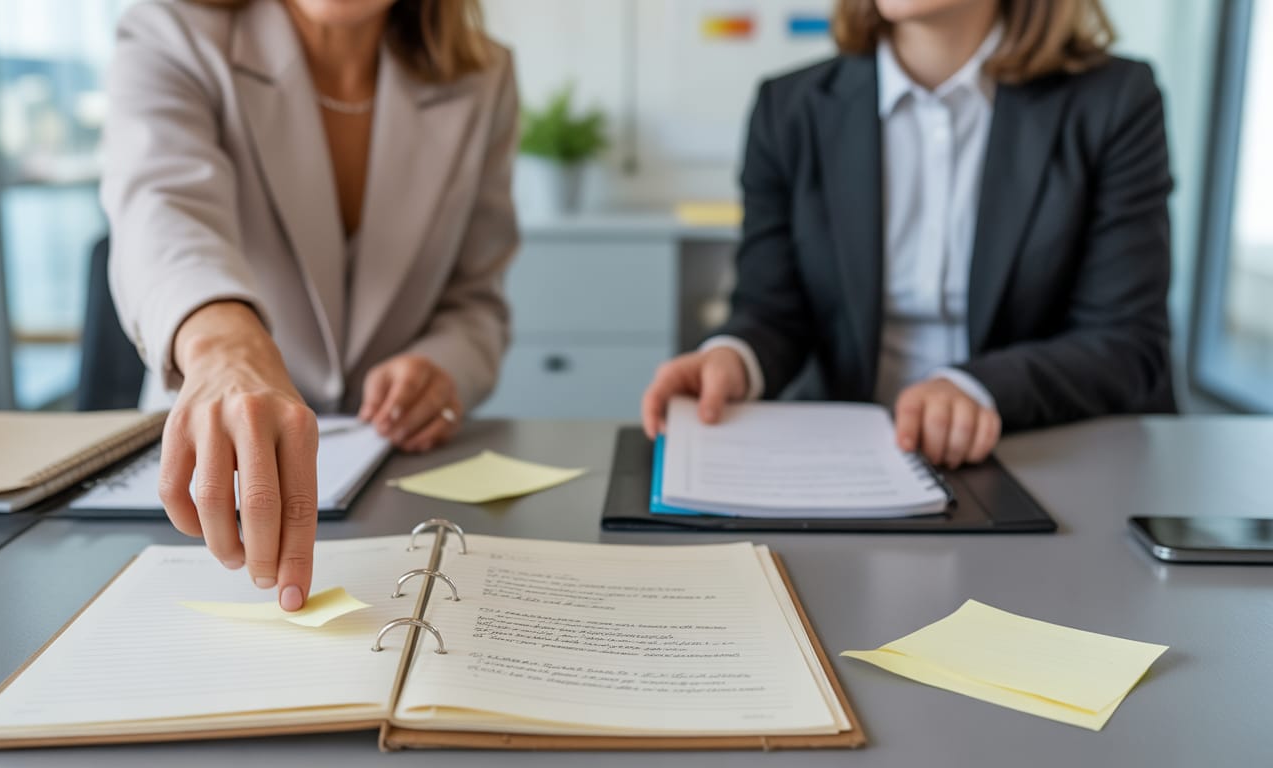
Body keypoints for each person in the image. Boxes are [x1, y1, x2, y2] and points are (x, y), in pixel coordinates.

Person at [101, 0, 518, 610]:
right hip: (209, 486)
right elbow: (159, 214)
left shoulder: (484, 74)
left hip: (402, 487)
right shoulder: (171, 31)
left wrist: (444, 365)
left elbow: (477, 298)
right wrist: (223, 348)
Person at [642, 0, 1174, 467]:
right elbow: (772, 309)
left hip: (1042, 451)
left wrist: (975, 389)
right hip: (852, 459)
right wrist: (734, 358)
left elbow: (1126, 340)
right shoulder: (790, 109)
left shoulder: (1115, 101)